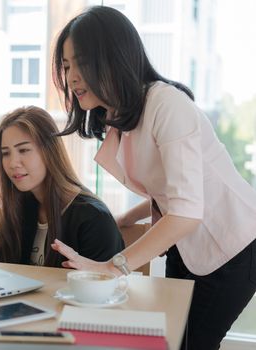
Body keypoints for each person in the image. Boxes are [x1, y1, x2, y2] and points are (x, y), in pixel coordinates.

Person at [50, 6, 256, 349]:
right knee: (172, 339)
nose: (71, 77)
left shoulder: (167, 104)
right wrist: (123, 219)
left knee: (192, 344)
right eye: (67, 65)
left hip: (234, 245)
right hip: (187, 246)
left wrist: (114, 267)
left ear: (112, 56)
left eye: (80, 62)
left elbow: (187, 210)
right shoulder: (122, 118)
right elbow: (168, 192)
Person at [0, 105, 123, 267]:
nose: (12, 163)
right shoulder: (20, 207)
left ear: (49, 151)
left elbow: (104, 292)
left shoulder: (93, 218)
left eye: (24, 150)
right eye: (5, 153)